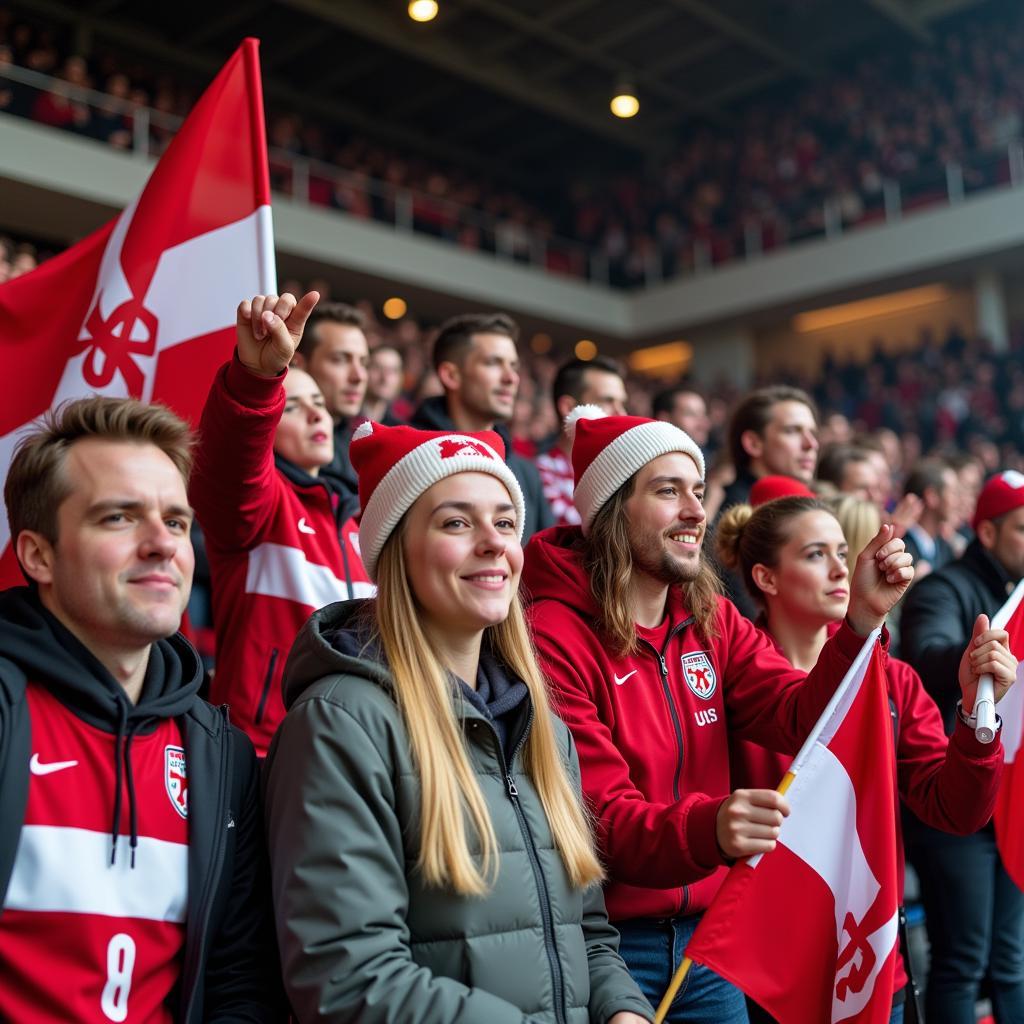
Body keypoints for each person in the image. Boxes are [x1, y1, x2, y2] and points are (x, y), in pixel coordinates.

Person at [521, 406, 914, 1023]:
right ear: (610, 510)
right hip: (609, 948)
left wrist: (860, 623)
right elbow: (597, 822)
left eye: (698, 491)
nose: (695, 511)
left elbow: (797, 713)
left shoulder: (709, 615)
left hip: (706, 945)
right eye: (667, 490)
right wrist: (713, 828)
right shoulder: (553, 635)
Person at [263, 419, 653, 1024]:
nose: (494, 543)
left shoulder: (544, 728)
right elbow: (347, 977)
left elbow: (588, 935)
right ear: (397, 550)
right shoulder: (340, 723)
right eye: (456, 522)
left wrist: (623, 1012)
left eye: (504, 522)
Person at [0, 396, 283, 1021]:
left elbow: (239, 981)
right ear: (37, 555)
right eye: (119, 518)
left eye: (177, 523)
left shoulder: (221, 753)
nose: (162, 545)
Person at [716, 494, 1013, 1023]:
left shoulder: (892, 679)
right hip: (755, 964)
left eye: (841, 552)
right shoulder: (728, 678)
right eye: (814, 554)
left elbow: (957, 810)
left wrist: (975, 712)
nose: (838, 569)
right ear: (765, 577)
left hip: (863, 960)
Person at [190, 291, 372, 756]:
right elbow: (232, 458)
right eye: (293, 407)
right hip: (263, 753)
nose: (317, 413)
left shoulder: (364, 526)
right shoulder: (258, 505)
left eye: (319, 404)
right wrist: (257, 379)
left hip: (360, 757)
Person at [900, 470, 1024, 1023]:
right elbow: (925, 651)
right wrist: (979, 660)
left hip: (1010, 793)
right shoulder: (942, 588)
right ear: (989, 533)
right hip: (954, 804)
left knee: (1012, 960)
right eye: (1022, 529)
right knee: (963, 960)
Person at [410, 311, 554, 539]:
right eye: (493, 363)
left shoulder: (527, 474)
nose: (511, 378)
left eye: (513, 366)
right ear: (451, 375)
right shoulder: (408, 456)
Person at [715, 386, 820, 618]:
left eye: (812, 432)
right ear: (753, 443)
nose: (811, 444)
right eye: (793, 431)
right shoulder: (735, 518)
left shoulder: (806, 506)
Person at [290, 300, 370, 501]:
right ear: (299, 363)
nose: (358, 376)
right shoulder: (274, 451)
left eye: (363, 362)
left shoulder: (358, 448)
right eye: (340, 359)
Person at [537, 355, 628, 527]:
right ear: (569, 408)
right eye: (607, 401)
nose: (621, 414)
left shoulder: (627, 478)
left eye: (622, 403)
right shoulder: (538, 475)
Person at [900, 457, 959, 577]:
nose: (958, 502)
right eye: (953, 493)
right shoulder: (901, 549)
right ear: (932, 497)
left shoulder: (945, 548)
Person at [362, 344, 405, 425]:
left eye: (392, 371)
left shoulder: (398, 427)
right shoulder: (345, 419)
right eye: (378, 368)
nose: (385, 378)